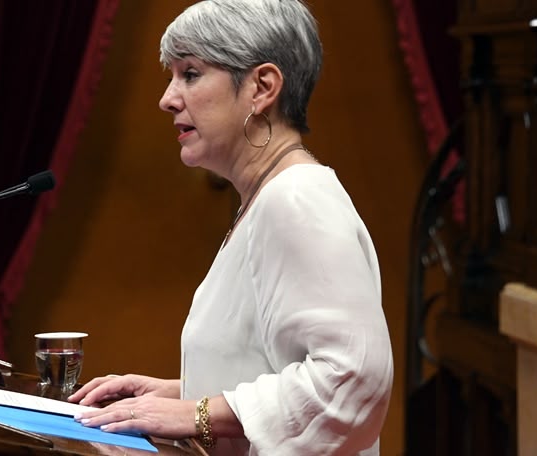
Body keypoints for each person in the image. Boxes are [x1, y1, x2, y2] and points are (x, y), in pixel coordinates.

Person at [69, 0, 393, 454]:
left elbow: (352, 381)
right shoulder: (265, 198)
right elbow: (275, 366)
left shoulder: (296, 199)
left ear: (262, 87)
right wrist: (182, 394)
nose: (167, 98)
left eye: (191, 73)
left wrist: (196, 414)